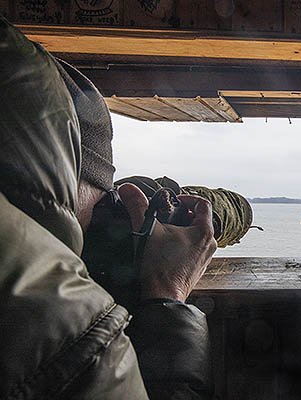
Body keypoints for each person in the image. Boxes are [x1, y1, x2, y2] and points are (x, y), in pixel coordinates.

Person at [0, 17, 216, 399]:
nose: (103, 210)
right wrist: (167, 293)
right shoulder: (52, 311)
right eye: (102, 196)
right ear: (59, 169)